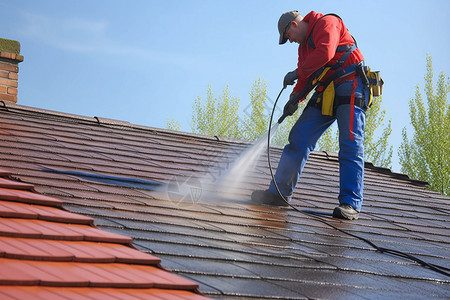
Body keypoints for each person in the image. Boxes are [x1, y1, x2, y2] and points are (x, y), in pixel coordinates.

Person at [251, 10, 369, 220]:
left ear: (293, 26)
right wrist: (294, 98)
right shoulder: (304, 49)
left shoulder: (328, 23)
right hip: (327, 90)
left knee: (350, 143)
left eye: (289, 37)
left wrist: (296, 73)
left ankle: (350, 203)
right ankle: (279, 193)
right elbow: (307, 76)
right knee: (299, 137)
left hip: (351, 84)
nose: (292, 41)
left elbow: (325, 54)